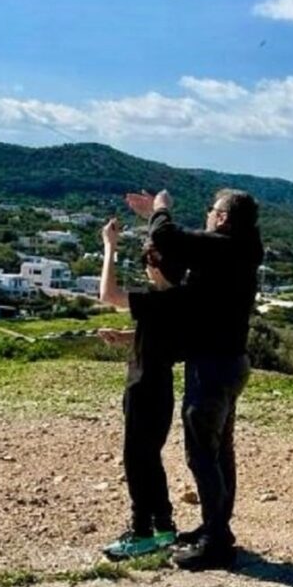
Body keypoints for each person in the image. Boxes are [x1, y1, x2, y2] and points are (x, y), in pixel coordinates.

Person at [125, 188, 264, 570]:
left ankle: (215, 542)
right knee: (220, 452)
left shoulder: (225, 247)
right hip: (230, 363)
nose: (207, 216)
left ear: (222, 217)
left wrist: (160, 208)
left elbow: (168, 236)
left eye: (211, 210)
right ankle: (215, 528)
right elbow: (180, 256)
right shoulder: (240, 250)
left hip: (213, 367)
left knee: (202, 453)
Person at [96, 217, 188, 560]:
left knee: (136, 460)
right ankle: (163, 526)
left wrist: (109, 247)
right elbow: (162, 333)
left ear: (155, 266)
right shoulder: (181, 300)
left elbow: (108, 295)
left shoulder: (155, 300)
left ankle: (141, 532)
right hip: (161, 388)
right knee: (150, 458)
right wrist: (126, 337)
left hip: (143, 387)